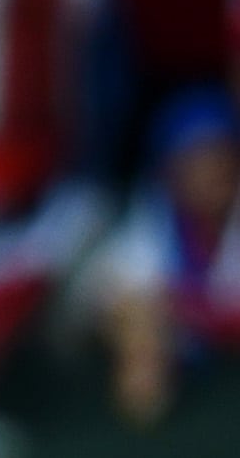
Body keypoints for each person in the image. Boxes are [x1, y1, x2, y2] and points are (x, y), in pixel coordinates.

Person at [99, 91, 240, 429]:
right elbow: (123, 303)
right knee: (137, 326)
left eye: (219, 157)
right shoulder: (152, 223)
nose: (210, 172)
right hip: (191, 361)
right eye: (195, 160)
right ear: (170, 171)